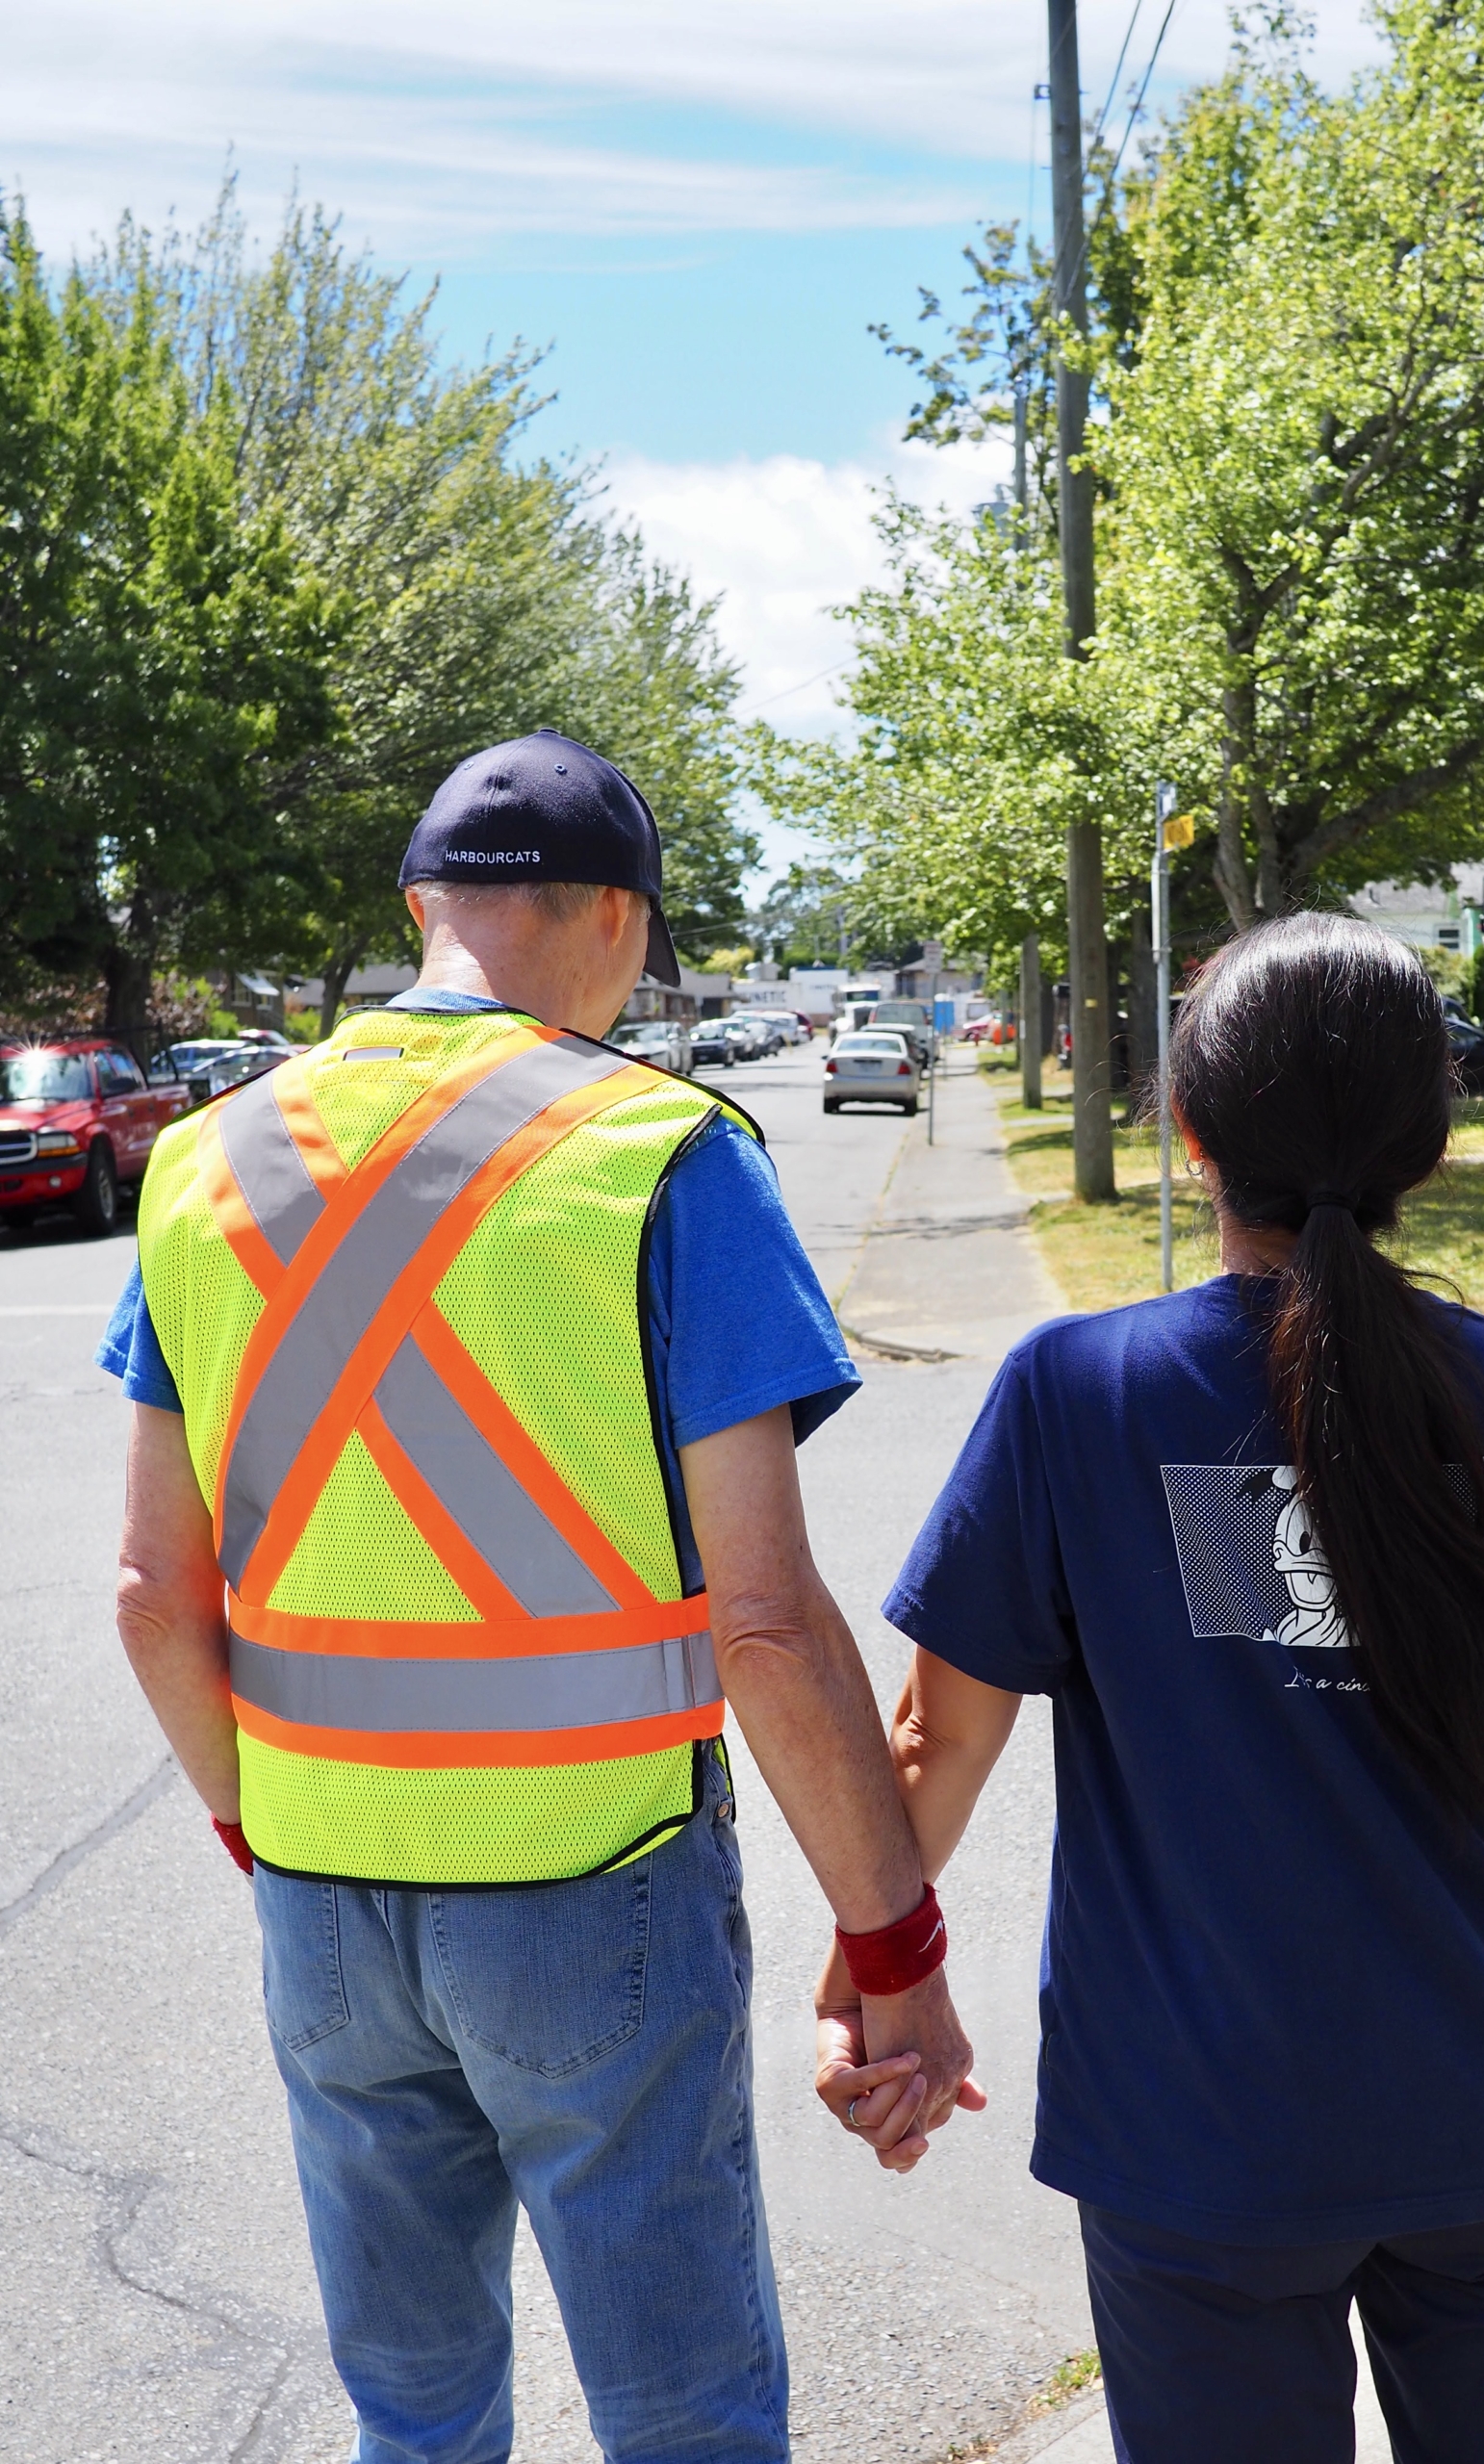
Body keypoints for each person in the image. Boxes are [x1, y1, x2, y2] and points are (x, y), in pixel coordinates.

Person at [101, 728, 975, 2464]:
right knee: (687, 2422)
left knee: (416, 2418)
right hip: (596, 1893)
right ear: (621, 925)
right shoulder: (663, 1152)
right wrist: (896, 1953)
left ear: (420, 906)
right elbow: (769, 1624)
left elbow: (147, 1591)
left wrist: (263, 1834)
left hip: (325, 1895)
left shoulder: (202, 1166)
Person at [814, 913, 1484, 2463]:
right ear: (1428, 1148)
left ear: (1189, 1136)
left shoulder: (1076, 1393)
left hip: (1194, 2142)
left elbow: (935, 1740)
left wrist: (873, 1986)